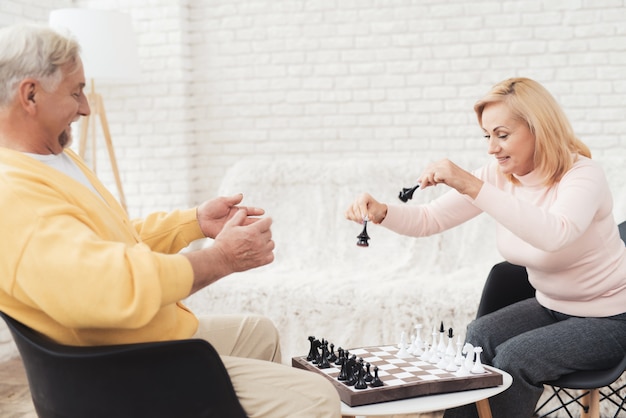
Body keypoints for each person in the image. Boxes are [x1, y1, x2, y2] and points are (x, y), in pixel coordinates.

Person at [0, 23, 340, 417]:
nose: (86, 107)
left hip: (136, 340)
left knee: (257, 333)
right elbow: (113, 285)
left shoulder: (54, 159)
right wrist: (221, 259)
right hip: (114, 369)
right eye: (76, 91)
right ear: (30, 95)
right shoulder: (13, 195)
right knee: (315, 397)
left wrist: (194, 222)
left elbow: (114, 245)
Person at [346, 77, 626, 417]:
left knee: (516, 358)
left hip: (611, 317)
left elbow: (555, 234)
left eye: (502, 134)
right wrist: (383, 212)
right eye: (487, 135)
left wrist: (470, 184)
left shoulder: (582, 175)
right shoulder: (497, 176)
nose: (492, 148)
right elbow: (429, 219)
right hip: (550, 306)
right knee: (479, 336)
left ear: (540, 129)